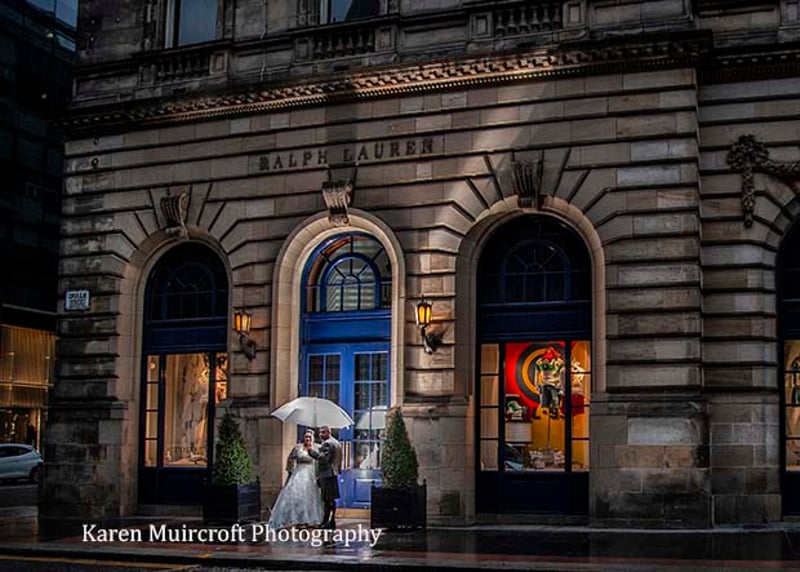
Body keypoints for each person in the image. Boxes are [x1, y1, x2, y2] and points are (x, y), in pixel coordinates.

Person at [267, 429, 325, 530]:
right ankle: (296, 519)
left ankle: (309, 519)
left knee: (310, 497)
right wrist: (290, 470)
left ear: (312, 438)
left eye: (309, 437)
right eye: (306, 437)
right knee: (295, 495)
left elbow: (320, 461)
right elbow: (290, 458)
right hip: (298, 472)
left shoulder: (317, 448)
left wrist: (319, 474)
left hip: (310, 474)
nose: (307, 439)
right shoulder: (298, 447)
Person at [308, 424, 341, 529]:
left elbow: (323, 458)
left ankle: (326, 522)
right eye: (320, 432)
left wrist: (311, 452)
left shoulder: (328, 443)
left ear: (328, 432)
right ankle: (331, 521)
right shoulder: (336, 442)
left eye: (323, 432)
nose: (321, 435)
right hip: (333, 473)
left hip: (327, 474)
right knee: (331, 499)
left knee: (327, 500)